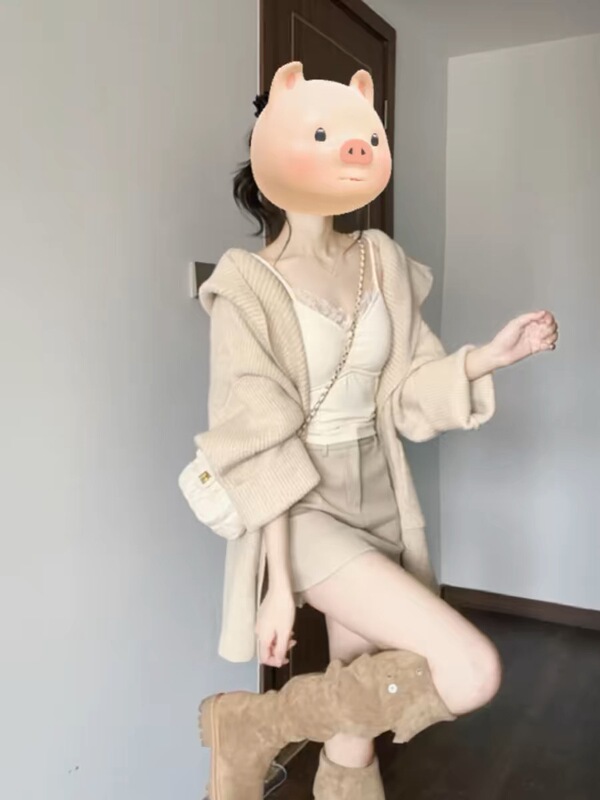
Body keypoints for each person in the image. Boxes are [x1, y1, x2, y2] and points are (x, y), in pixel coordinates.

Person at [195, 62, 558, 800]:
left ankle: (268, 737)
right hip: (302, 507)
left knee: (355, 717)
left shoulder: (380, 259)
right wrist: (278, 584)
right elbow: (259, 439)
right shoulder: (245, 284)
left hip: (379, 491)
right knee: (472, 669)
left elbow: (406, 391)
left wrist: (489, 357)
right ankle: (252, 724)